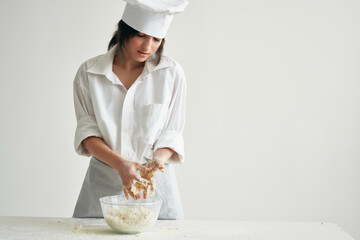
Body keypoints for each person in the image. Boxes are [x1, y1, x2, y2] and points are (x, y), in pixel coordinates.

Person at [72, 0, 188, 219]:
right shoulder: (89, 73)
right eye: (141, 35)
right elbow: (88, 133)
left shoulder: (171, 74)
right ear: (124, 30)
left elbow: (172, 132)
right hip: (103, 183)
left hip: (154, 184)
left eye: (156, 39)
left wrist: (157, 162)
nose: (148, 47)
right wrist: (119, 164)